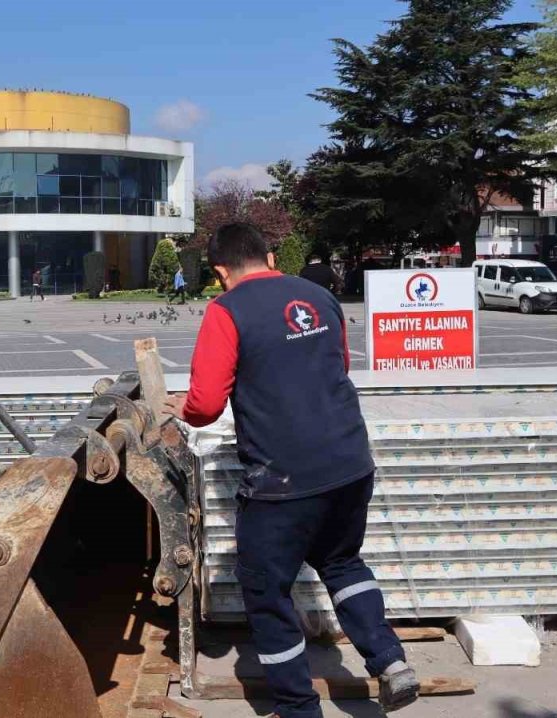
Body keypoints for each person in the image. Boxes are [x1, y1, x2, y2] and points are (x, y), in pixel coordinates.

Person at [164, 223, 418, 718]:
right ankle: (391, 663)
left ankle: (297, 708)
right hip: (349, 462)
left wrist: (182, 408)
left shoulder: (226, 310)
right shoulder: (319, 296)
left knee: (265, 587)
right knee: (342, 562)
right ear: (271, 255)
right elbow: (337, 365)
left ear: (220, 272)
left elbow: (207, 404)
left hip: (283, 480)